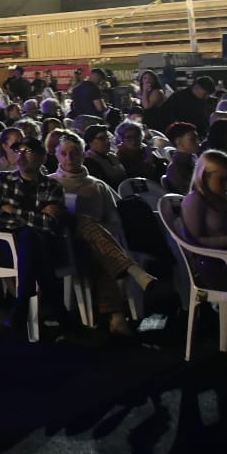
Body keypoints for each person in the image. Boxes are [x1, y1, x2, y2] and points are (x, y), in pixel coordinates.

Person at [50, 131, 159, 336]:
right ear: (56, 155)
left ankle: (116, 317)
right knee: (84, 224)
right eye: (64, 153)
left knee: (98, 251)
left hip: (98, 247)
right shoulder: (50, 184)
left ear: (83, 155)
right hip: (65, 245)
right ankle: (133, 278)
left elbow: (115, 219)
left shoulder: (97, 185)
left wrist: (102, 234)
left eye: (74, 153)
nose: (69, 158)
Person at [0, 137, 69, 330]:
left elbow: (51, 223)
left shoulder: (52, 186)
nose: (21, 155)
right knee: (31, 235)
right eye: (18, 151)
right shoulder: (2, 179)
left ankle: (22, 301)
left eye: (28, 151)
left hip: (40, 247)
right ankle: (57, 309)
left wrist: (15, 211)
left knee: (31, 236)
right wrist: (35, 217)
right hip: (6, 247)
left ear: (41, 158)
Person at [179, 150, 227, 289]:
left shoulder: (222, 199)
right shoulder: (194, 200)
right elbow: (194, 240)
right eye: (222, 179)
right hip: (215, 264)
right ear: (204, 176)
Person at [149, 75, 217, 135]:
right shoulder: (179, 98)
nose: (206, 97)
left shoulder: (202, 101)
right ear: (197, 87)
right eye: (205, 93)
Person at [161, 122, 202, 194]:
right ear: (178, 142)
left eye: (197, 138)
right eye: (192, 139)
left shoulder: (193, 159)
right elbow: (188, 193)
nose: (198, 142)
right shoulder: (175, 168)